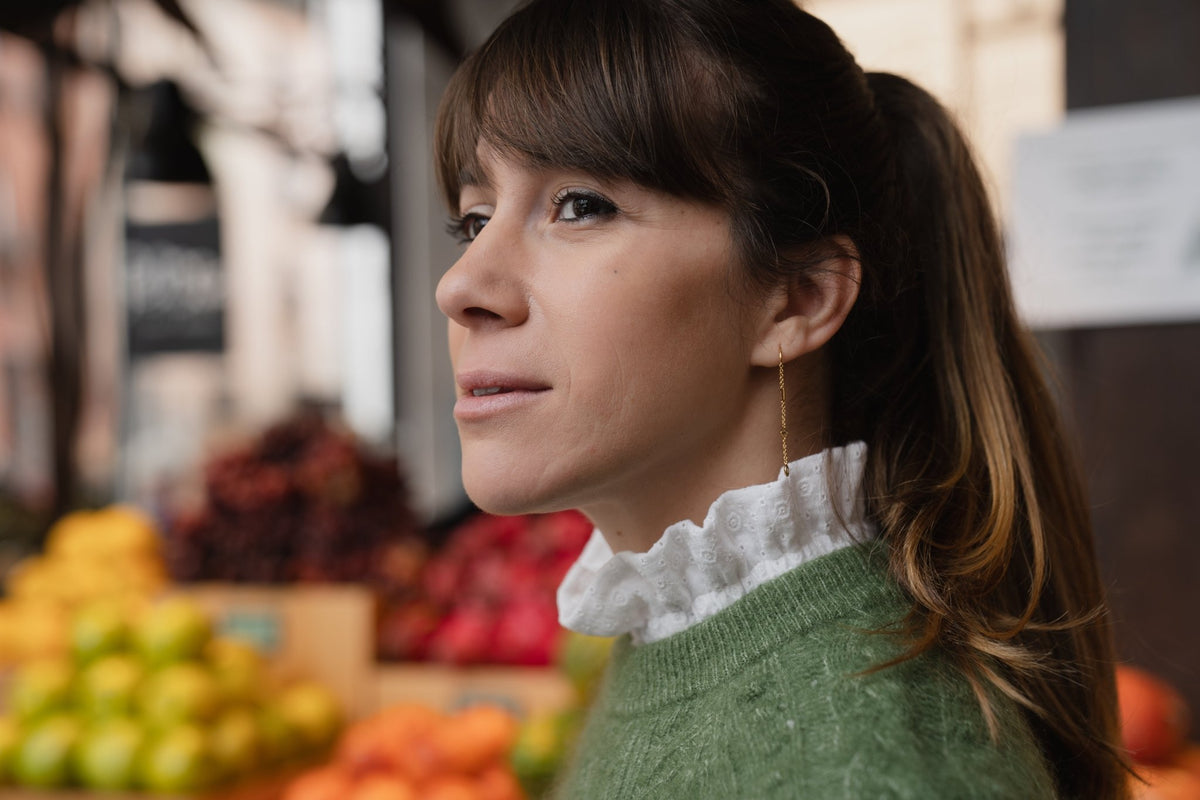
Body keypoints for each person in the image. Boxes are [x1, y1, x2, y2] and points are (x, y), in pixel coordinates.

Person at [433, 0, 1129, 797]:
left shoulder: (872, 769)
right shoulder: (682, 625)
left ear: (797, 300)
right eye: (474, 219)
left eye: (581, 205)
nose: (461, 286)